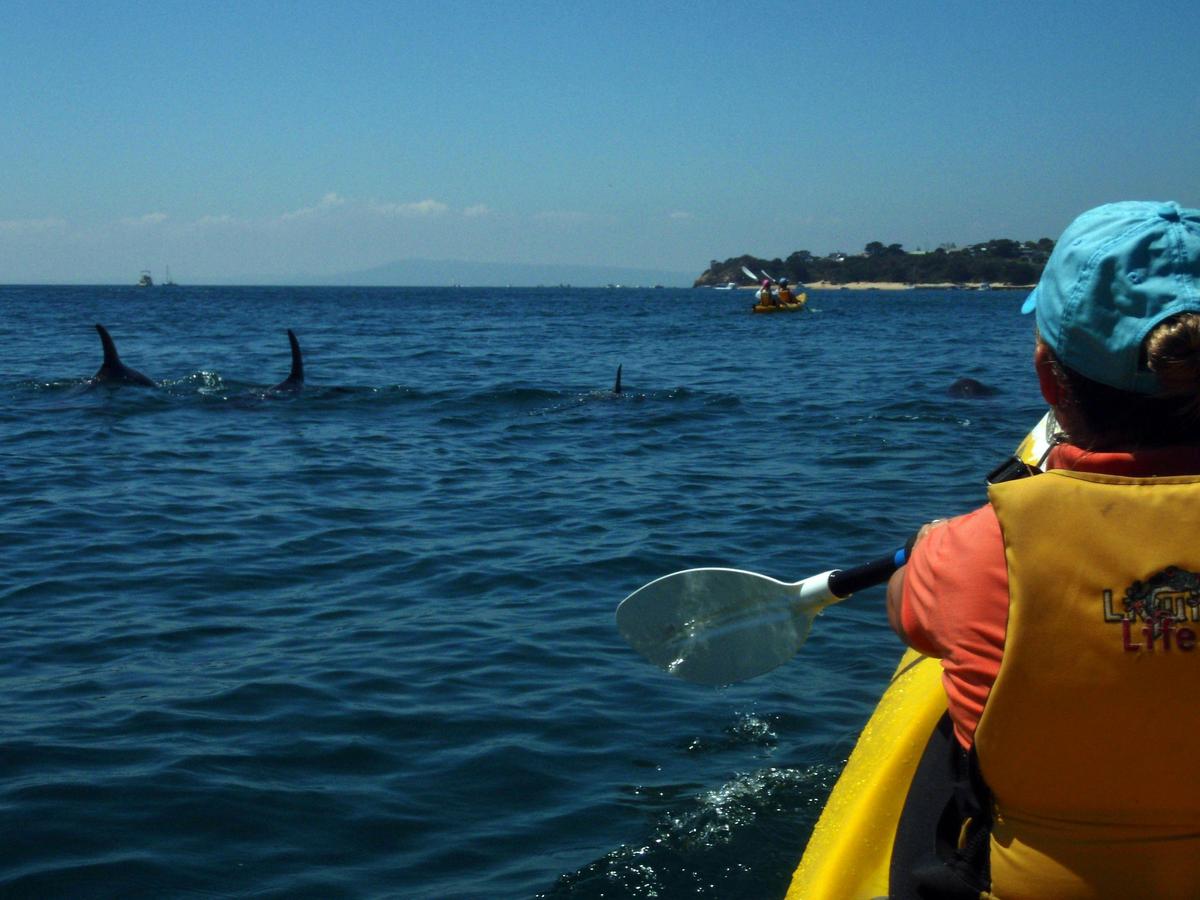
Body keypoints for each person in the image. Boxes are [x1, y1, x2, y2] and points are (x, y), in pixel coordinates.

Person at [885, 201, 1200, 898]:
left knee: (950, 731)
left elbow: (905, 614)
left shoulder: (971, 553)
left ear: (1049, 380)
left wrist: (929, 547)